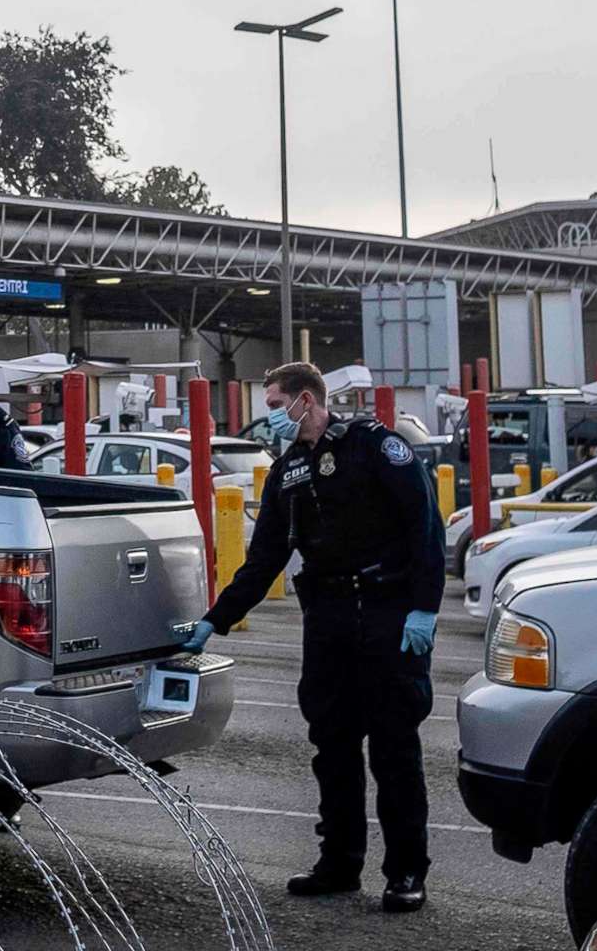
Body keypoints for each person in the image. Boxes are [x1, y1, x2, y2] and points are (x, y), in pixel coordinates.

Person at [175, 361, 445, 914]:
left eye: (275, 402)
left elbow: (425, 527)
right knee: (333, 747)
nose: (269, 414)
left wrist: (424, 608)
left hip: (388, 610)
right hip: (328, 618)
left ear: (306, 399)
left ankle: (405, 873)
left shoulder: (375, 447)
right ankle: (339, 864)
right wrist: (215, 619)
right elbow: (265, 559)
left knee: (394, 749)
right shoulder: (289, 469)